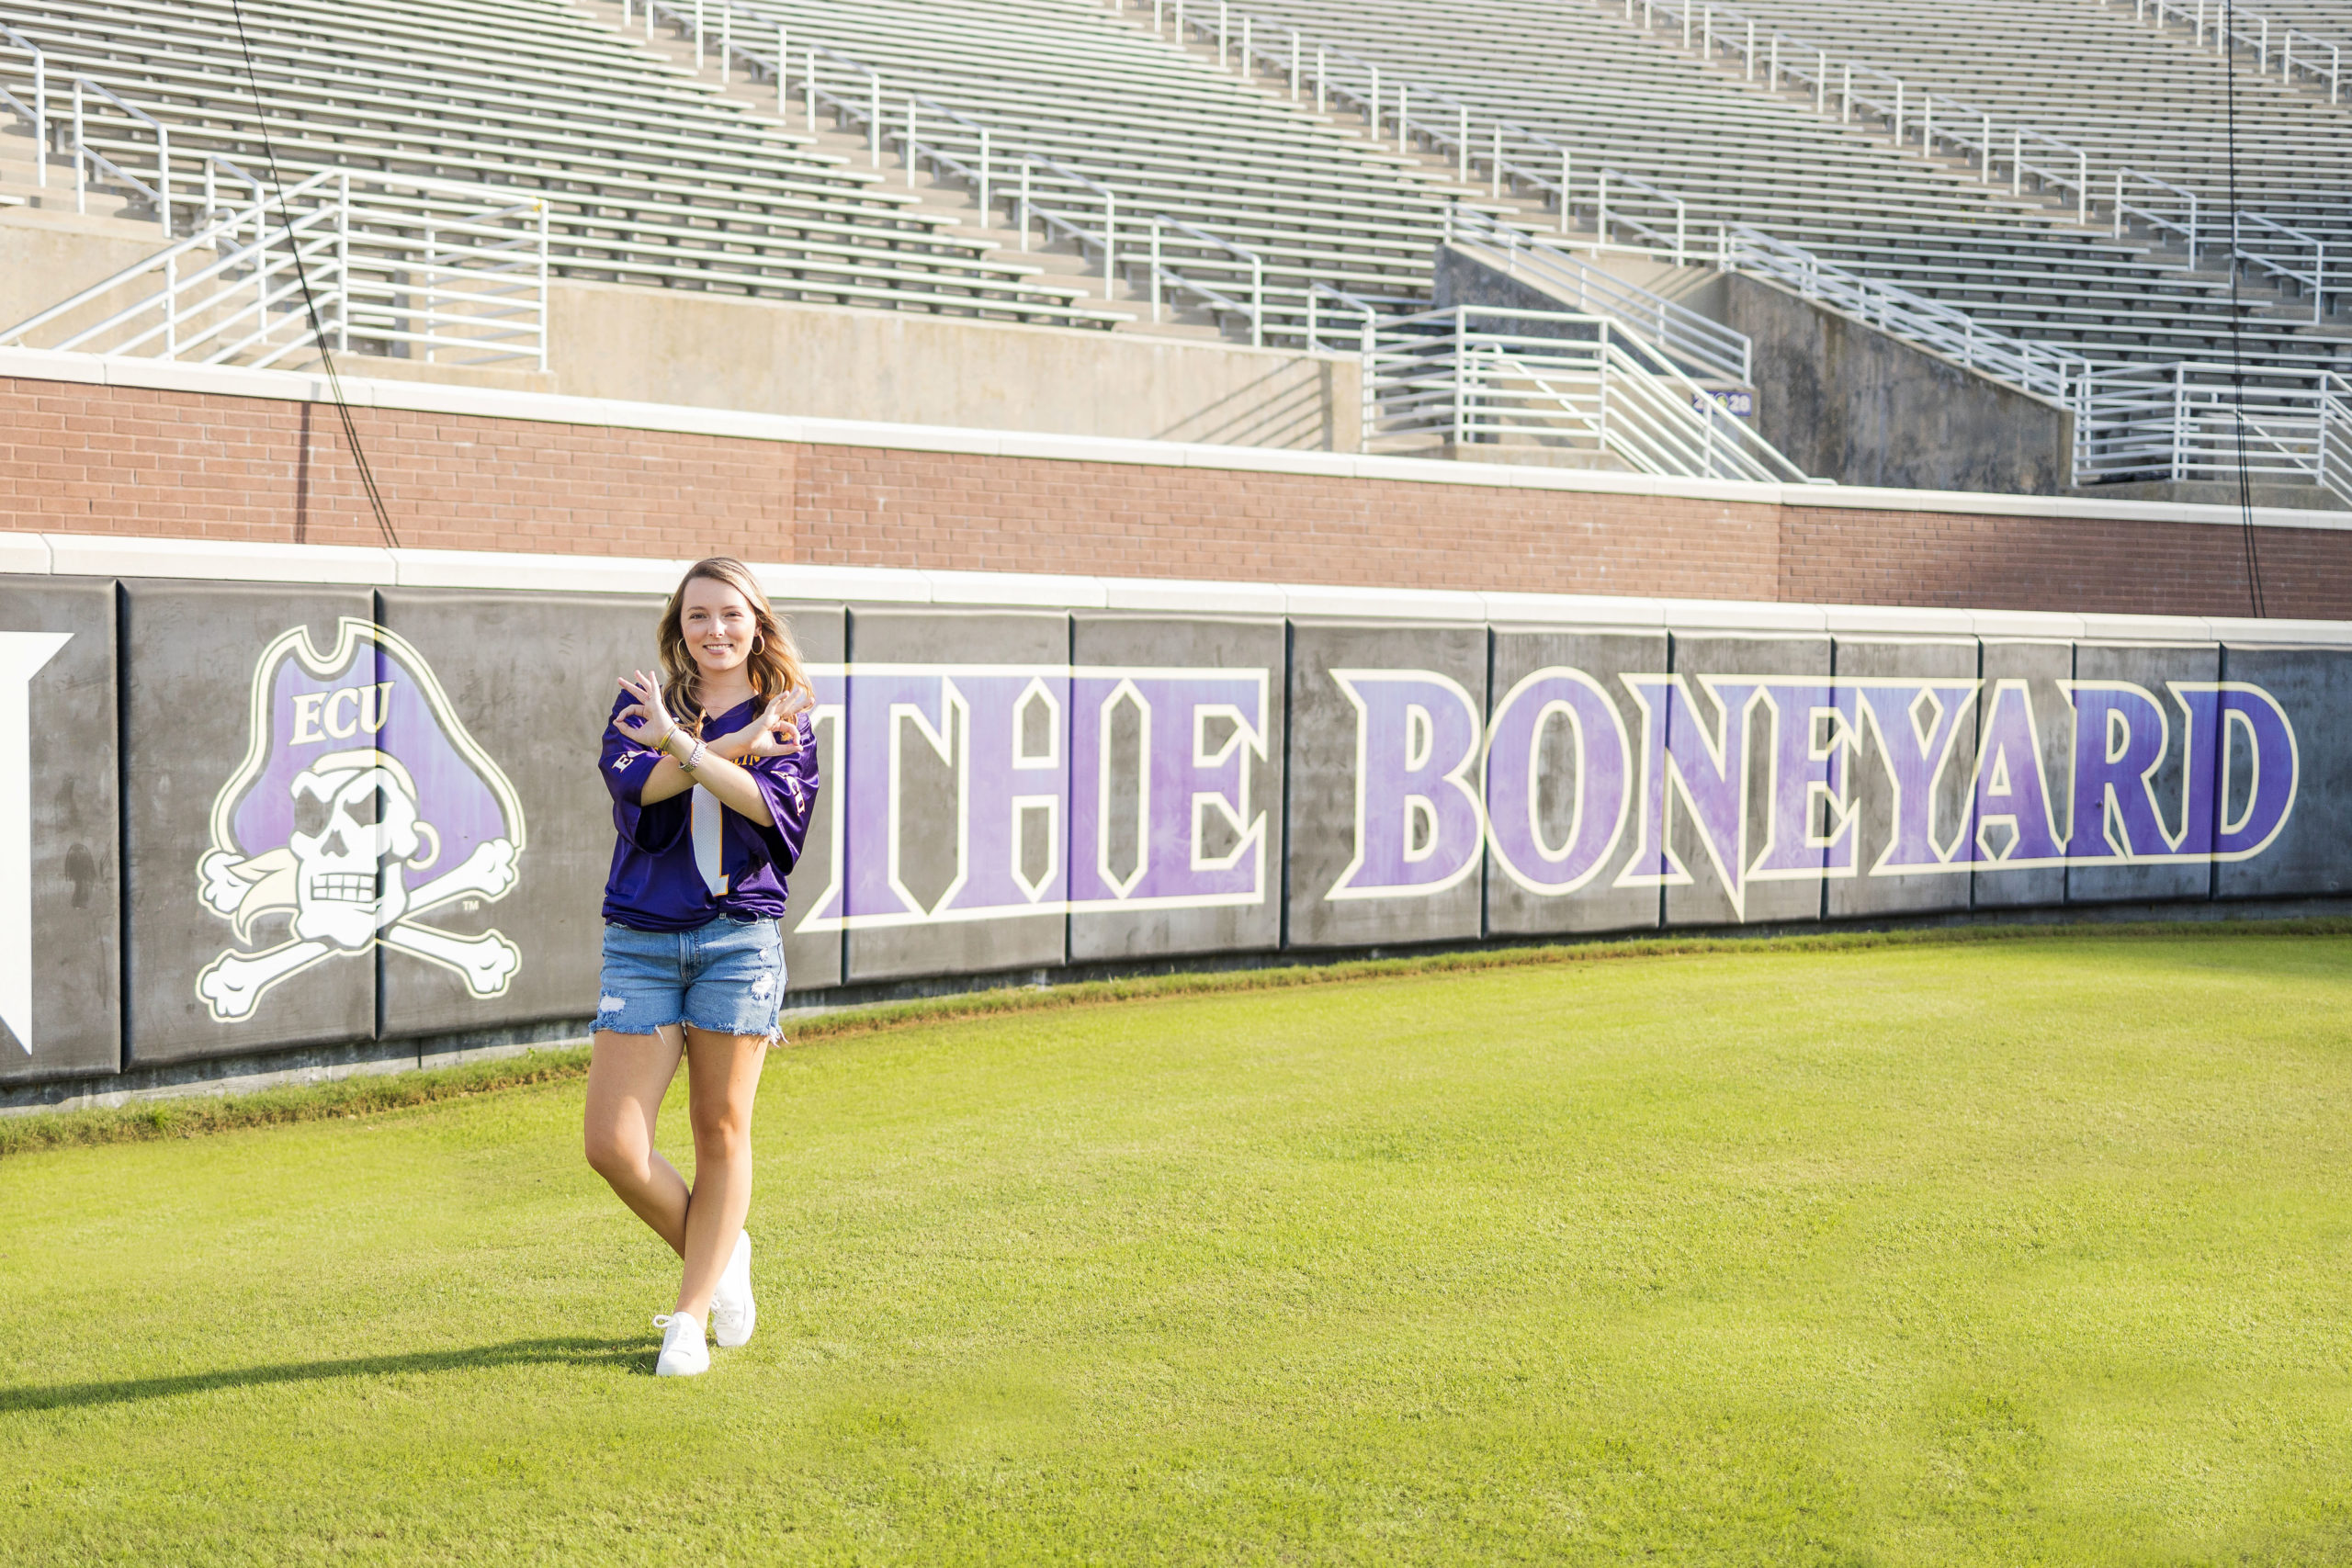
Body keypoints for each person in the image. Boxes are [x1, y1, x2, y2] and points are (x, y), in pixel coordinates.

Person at [582, 556, 820, 1378]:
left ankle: (688, 1317)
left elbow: (765, 807)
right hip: (642, 940)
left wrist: (689, 745)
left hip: (737, 942)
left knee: (720, 1128)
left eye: (730, 614)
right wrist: (725, 745)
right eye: (697, 616)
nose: (714, 630)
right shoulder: (639, 702)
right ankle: (724, 1251)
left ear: (757, 620)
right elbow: (638, 793)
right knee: (613, 1144)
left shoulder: (787, 717)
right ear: (677, 627)